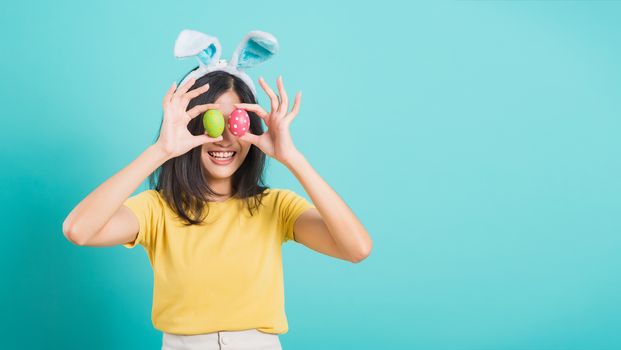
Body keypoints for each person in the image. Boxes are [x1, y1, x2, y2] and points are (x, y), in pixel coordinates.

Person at [62, 30, 372, 350]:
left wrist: (293, 158)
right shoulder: (157, 209)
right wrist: (160, 151)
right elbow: (78, 230)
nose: (224, 138)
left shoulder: (276, 207)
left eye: (235, 122)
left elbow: (357, 248)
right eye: (212, 121)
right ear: (191, 126)